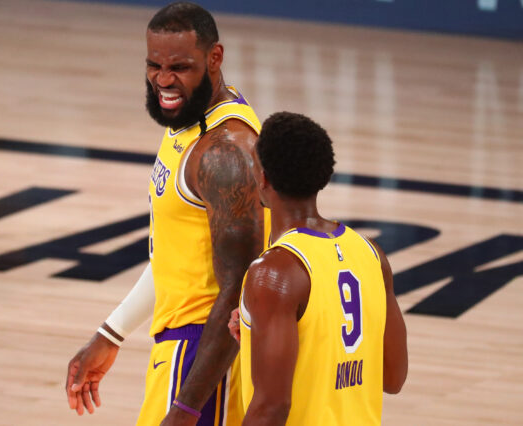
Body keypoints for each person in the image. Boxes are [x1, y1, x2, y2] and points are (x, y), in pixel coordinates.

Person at [65, 2, 268, 425]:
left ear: (215, 58)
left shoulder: (225, 154)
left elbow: (239, 289)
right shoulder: (190, 123)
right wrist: (112, 331)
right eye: (154, 64)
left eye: (180, 67)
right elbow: (174, 257)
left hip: (203, 350)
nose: (163, 79)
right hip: (181, 343)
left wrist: (187, 407)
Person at [232, 112, 408, 425]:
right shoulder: (371, 253)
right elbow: (393, 377)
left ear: (263, 178)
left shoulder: (274, 273)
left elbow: (271, 408)